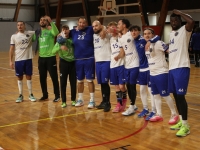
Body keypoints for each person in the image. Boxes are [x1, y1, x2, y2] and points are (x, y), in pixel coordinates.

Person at [143, 28, 179, 124]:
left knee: (165, 95)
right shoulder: (146, 45)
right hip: (152, 73)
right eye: (145, 34)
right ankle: (159, 114)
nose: (147, 35)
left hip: (161, 72)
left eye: (149, 33)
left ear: (153, 34)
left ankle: (174, 114)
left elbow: (170, 51)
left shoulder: (158, 43)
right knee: (155, 95)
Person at [168, 9, 194, 137]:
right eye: (172, 21)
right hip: (172, 68)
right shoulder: (172, 34)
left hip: (182, 67)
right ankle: (180, 120)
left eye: (176, 20)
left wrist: (180, 13)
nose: (174, 22)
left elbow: (191, 21)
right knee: (176, 96)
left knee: (181, 96)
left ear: (180, 21)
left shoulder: (185, 30)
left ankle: (186, 126)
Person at [70, 17, 105, 108]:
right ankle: (80, 99)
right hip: (78, 60)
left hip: (89, 59)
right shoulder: (73, 31)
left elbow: (102, 27)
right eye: (80, 22)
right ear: (77, 23)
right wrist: (59, 36)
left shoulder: (90, 29)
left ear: (86, 24)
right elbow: (64, 33)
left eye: (83, 23)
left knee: (90, 80)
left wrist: (103, 30)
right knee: (80, 81)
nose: (82, 24)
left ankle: (92, 101)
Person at [129, 25, 159, 119]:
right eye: (132, 31)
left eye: (135, 31)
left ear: (139, 32)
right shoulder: (133, 40)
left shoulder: (143, 39)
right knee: (142, 90)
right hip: (141, 69)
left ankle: (154, 110)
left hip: (149, 68)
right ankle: (146, 109)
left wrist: (149, 40)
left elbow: (157, 37)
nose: (133, 33)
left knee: (151, 91)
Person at [114, 19, 139, 114]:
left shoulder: (131, 34)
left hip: (135, 64)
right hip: (127, 65)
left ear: (124, 25)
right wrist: (118, 56)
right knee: (129, 86)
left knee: (132, 85)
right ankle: (134, 105)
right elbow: (122, 52)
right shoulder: (120, 38)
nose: (117, 26)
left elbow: (140, 38)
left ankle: (132, 106)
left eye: (119, 24)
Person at [9, 21, 36, 102]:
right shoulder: (14, 36)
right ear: (17, 27)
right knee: (19, 77)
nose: (19, 26)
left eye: (21, 25)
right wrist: (10, 61)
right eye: (18, 25)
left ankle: (30, 94)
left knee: (29, 76)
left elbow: (41, 29)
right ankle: (20, 95)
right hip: (18, 60)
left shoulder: (30, 33)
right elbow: (11, 49)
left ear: (24, 26)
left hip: (28, 59)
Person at [36, 16, 60, 102]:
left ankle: (57, 95)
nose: (42, 21)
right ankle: (45, 95)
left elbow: (56, 32)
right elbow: (32, 39)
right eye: (41, 20)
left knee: (54, 77)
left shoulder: (50, 30)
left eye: (44, 20)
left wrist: (52, 22)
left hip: (51, 58)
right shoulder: (38, 32)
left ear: (47, 22)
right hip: (41, 58)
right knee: (42, 78)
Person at [52, 25, 76, 108]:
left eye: (66, 29)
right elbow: (53, 51)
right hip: (63, 63)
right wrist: (60, 47)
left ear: (69, 31)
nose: (65, 31)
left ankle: (73, 100)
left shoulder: (73, 39)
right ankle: (64, 101)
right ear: (62, 31)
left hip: (73, 63)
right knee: (63, 83)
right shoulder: (59, 41)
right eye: (63, 30)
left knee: (73, 82)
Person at [92, 20, 111, 111]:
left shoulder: (106, 33)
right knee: (102, 83)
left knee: (105, 83)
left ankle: (107, 103)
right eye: (93, 26)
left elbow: (113, 28)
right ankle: (104, 101)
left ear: (100, 26)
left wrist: (104, 28)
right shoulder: (93, 35)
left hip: (106, 61)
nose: (94, 27)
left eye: (96, 26)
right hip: (98, 62)